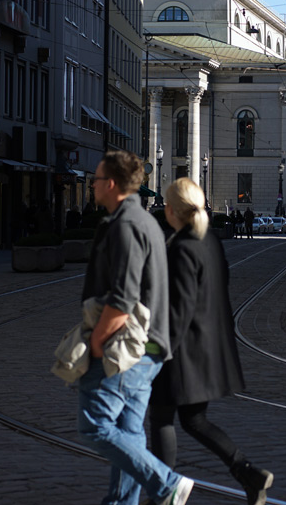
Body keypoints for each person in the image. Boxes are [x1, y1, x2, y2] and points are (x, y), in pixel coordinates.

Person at [78, 150, 193, 505]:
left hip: (129, 346)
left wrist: (96, 343)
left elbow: (124, 298)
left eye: (96, 179)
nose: (92, 184)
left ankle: (167, 483)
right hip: (150, 346)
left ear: (110, 184)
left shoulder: (126, 225)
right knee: (128, 431)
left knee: (95, 424)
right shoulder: (144, 222)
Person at [149, 178, 274, 505]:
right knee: (193, 420)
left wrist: (156, 352)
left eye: (165, 205)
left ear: (173, 210)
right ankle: (249, 474)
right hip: (206, 349)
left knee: (162, 417)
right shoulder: (209, 240)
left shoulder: (183, 247)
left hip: (182, 353)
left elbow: (179, 309)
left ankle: (164, 492)